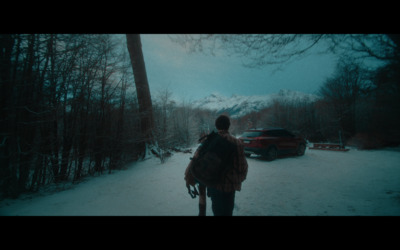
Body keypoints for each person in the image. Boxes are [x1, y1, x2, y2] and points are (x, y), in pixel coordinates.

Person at [184, 114, 248, 216]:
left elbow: (196, 159)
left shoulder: (209, 140)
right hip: (229, 187)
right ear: (228, 126)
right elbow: (242, 168)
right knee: (227, 212)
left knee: (217, 211)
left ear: (216, 126)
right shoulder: (237, 143)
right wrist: (237, 181)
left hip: (213, 184)